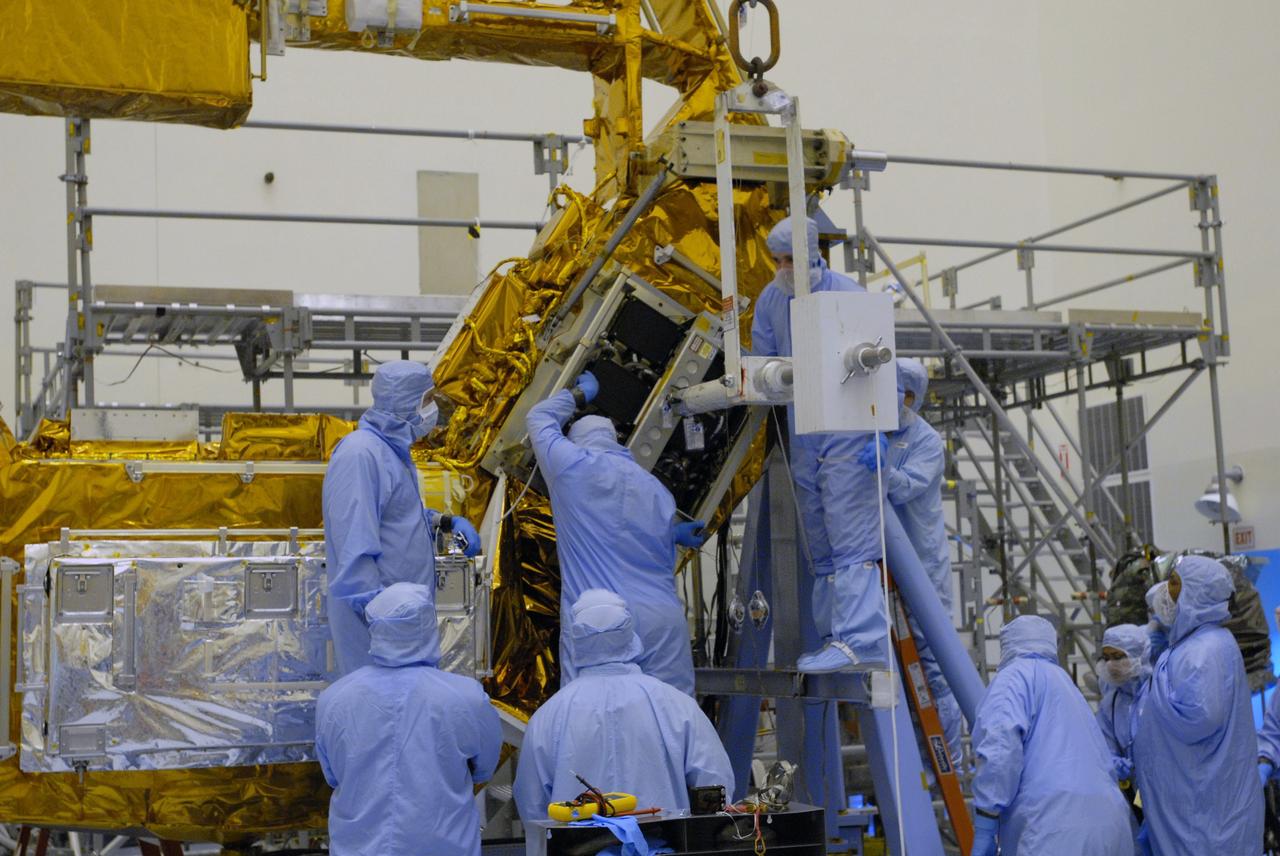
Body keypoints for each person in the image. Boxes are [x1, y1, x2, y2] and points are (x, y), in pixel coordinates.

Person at [750, 215, 888, 673]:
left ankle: (862, 640)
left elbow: (882, 369)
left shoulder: (848, 297)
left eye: (790, 259)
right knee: (820, 538)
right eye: (777, 260)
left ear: (813, 254)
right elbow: (761, 362)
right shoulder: (772, 301)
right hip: (803, 426)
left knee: (850, 532)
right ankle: (835, 638)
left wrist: (883, 432)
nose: (783, 268)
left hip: (848, 426)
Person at [526, 375, 706, 694]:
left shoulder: (572, 467)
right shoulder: (656, 490)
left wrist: (580, 394)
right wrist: (672, 533)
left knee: (592, 715)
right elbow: (636, 539)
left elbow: (538, 417)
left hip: (604, 620)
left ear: (576, 440)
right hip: (662, 620)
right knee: (675, 717)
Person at [513, 589, 734, 821]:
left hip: (576, 848)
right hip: (664, 844)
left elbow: (532, 805)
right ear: (630, 633)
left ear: (574, 640)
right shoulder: (677, 706)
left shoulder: (548, 717)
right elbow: (716, 787)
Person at [315, 583, 501, 856]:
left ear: (375, 628)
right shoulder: (466, 697)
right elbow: (484, 768)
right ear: (428, 624)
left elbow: (332, 775)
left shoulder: (334, 699)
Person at [323, 360, 481, 674]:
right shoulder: (361, 454)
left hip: (400, 630)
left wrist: (442, 522)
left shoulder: (389, 452)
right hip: (380, 635)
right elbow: (354, 550)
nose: (433, 408)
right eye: (427, 400)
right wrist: (387, 623)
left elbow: (394, 516)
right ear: (404, 402)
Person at [859, 357, 962, 762]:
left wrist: (883, 469)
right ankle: (905, 763)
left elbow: (904, 489)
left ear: (910, 397)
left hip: (920, 564)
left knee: (932, 665)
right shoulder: (872, 432)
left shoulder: (926, 441)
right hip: (878, 560)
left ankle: (945, 759)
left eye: (897, 393)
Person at [970, 615, 1132, 856]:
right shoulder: (1065, 683)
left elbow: (1000, 750)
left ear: (1007, 645)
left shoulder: (1013, 679)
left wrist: (985, 820)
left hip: (1051, 827)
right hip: (1110, 825)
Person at [1133, 555, 1263, 855]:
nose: (1166, 590)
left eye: (1175, 584)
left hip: (1206, 814)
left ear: (1197, 593)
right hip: (1194, 806)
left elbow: (1199, 718)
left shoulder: (1207, 649)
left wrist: (1157, 675)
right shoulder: (1194, 645)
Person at [1095, 624, 1150, 783]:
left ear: (1138, 655)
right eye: (1106, 658)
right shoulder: (1110, 704)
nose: (1110, 665)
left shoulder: (1157, 692)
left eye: (1117, 657)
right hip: (1132, 792)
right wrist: (1112, 762)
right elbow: (1104, 746)